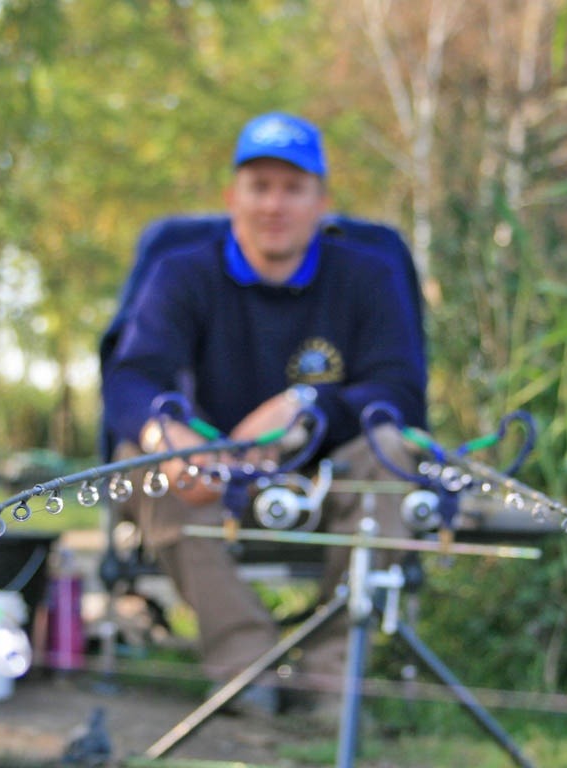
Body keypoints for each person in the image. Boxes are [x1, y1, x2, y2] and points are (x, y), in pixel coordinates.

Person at [100, 111, 427, 715]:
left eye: (293, 187)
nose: (274, 204)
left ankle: (330, 679)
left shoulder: (370, 274)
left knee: (396, 455)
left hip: (326, 475)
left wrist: (307, 409)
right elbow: (130, 375)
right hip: (214, 476)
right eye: (259, 186)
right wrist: (166, 432)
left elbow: (401, 392)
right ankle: (247, 667)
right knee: (140, 463)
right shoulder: (181, 272)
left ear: (321, 202)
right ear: (232, 197)